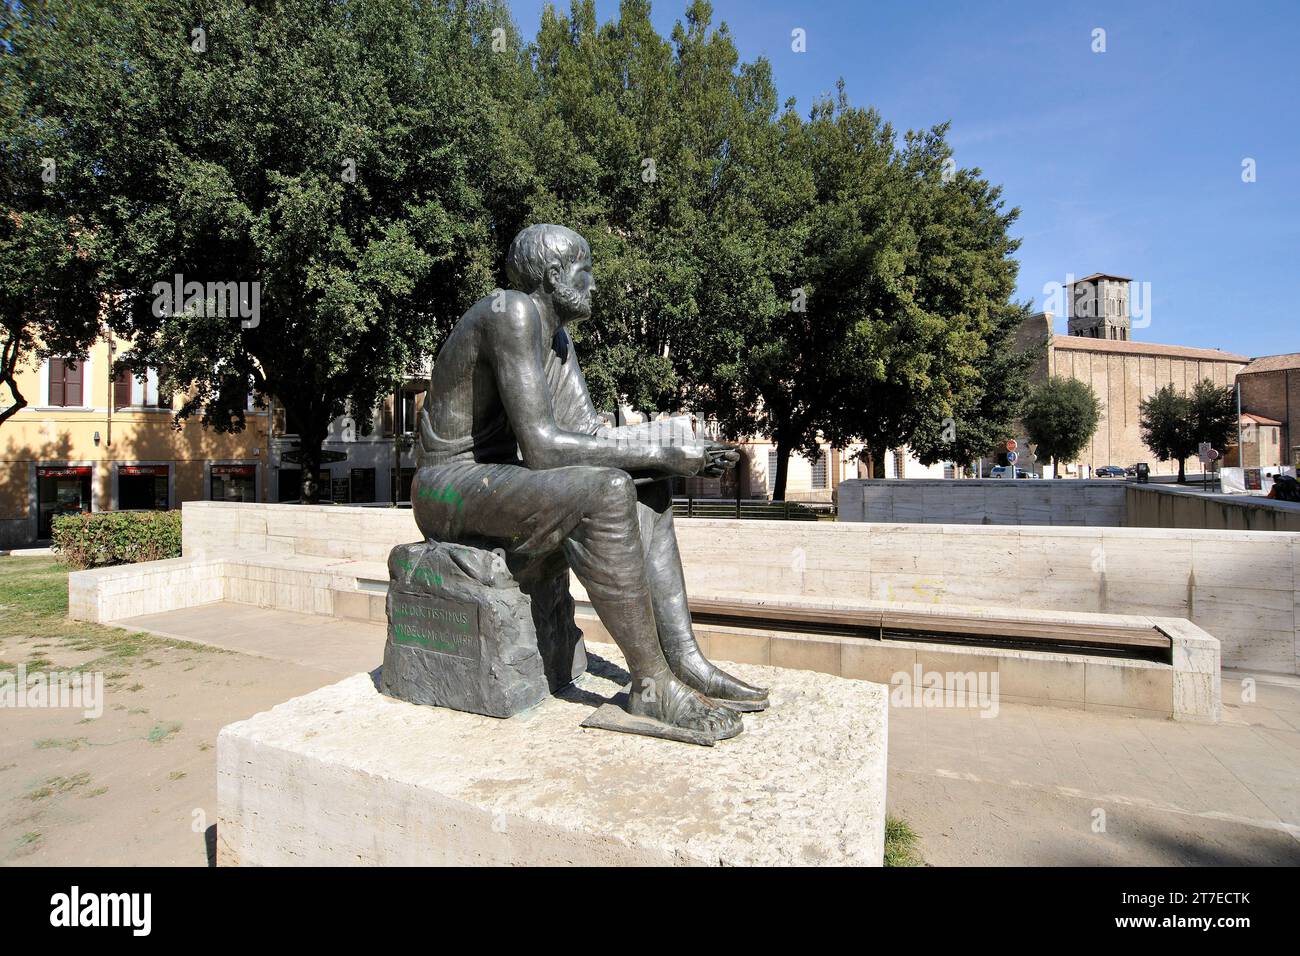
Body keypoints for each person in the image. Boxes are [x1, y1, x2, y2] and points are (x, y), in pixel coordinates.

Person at [411, 224, 768, 740]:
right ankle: (650, 685)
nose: (595, 284)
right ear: (554, 275)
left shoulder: (555, 336)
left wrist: (671, 453)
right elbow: (543, 449)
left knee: (649, 484)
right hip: (446, 488)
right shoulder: (511, 312)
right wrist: (663, 451)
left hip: (493, 479)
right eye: (586, 272)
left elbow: (588, 436)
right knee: (608, 490)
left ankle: (683, 659)